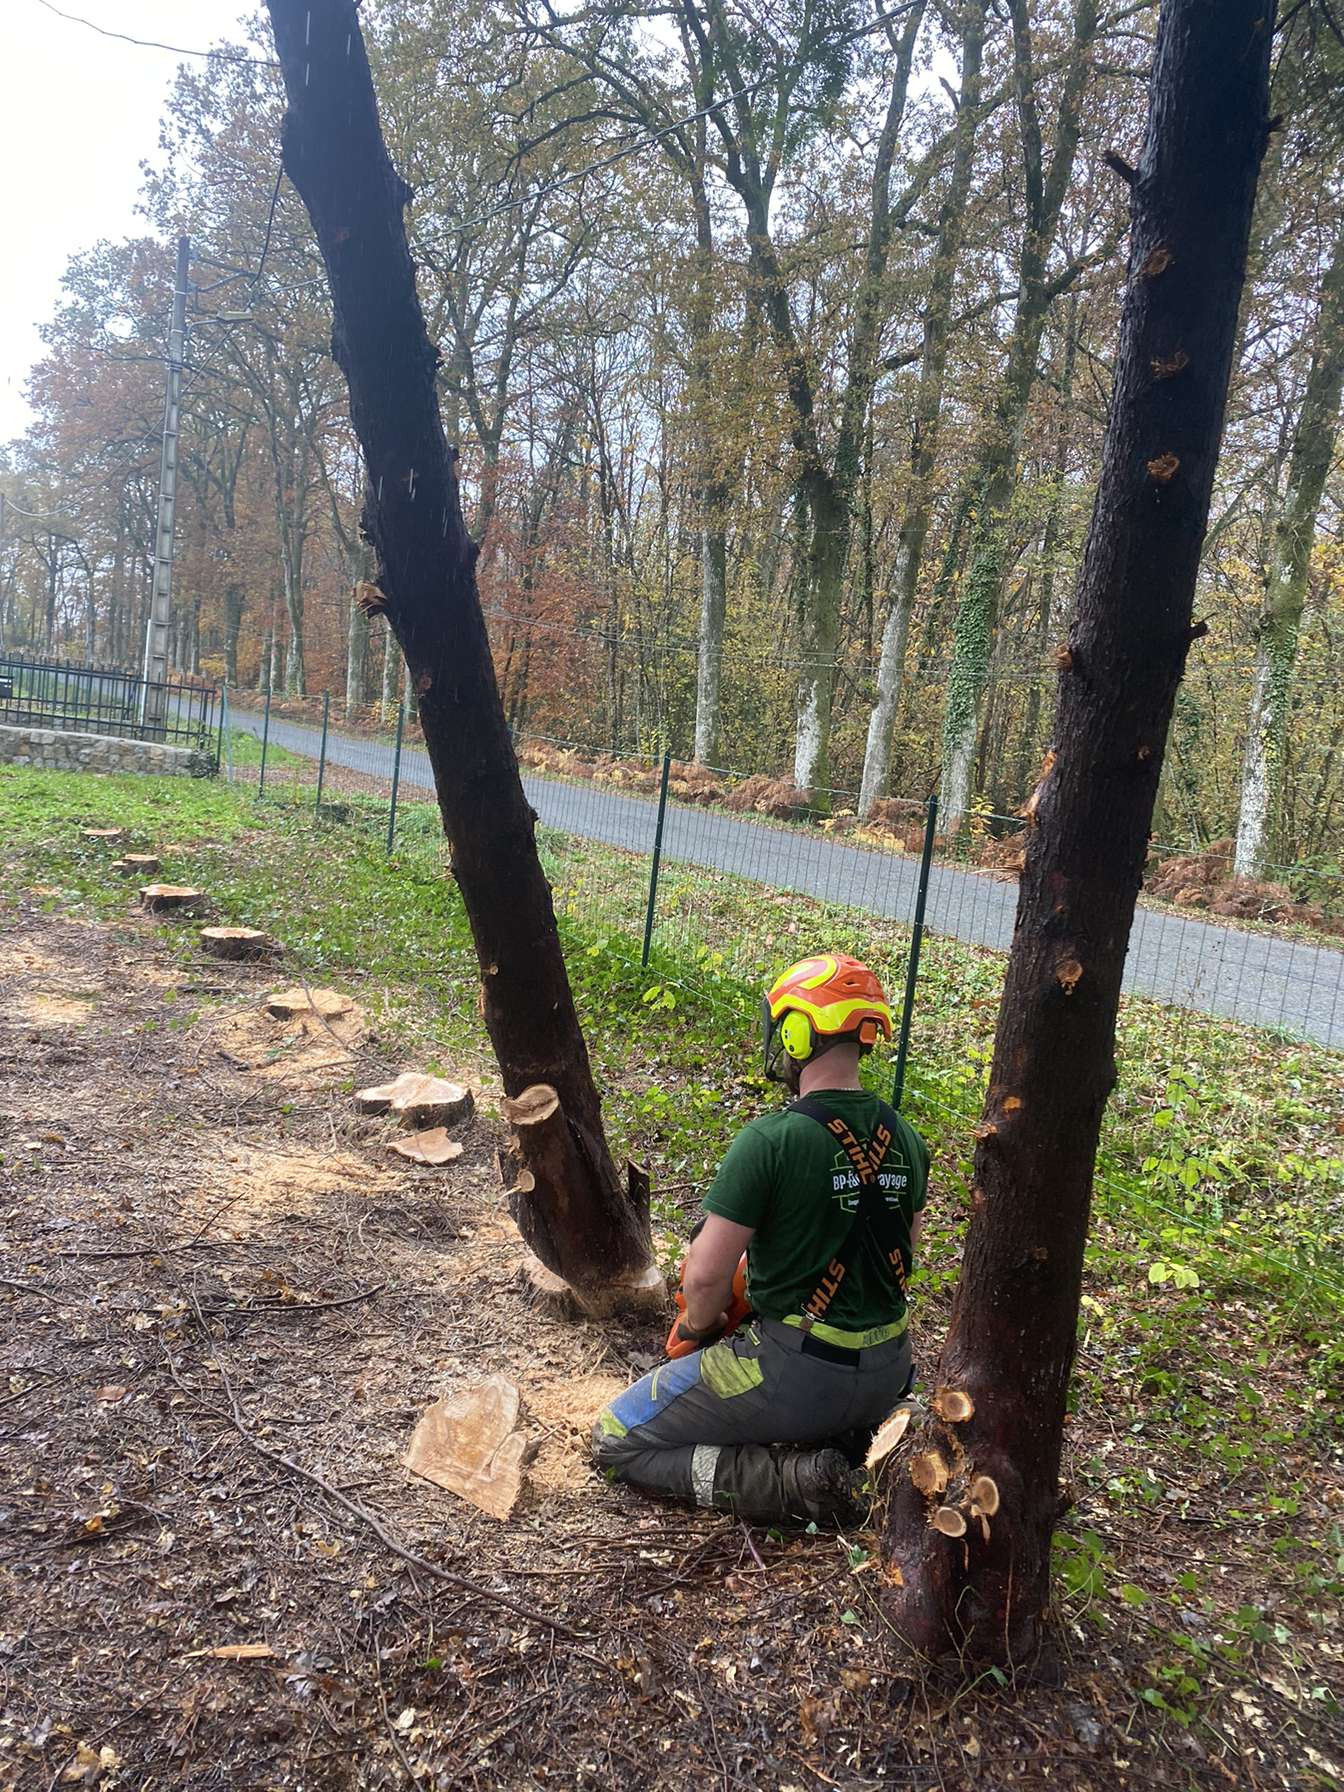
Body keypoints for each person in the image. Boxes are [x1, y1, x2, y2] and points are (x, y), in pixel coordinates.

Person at [593, 951, 930, 1525]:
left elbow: (704, 1279)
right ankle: (858, 1441)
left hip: (795, 1373)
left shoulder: (771, 1140)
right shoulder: (908, 1138)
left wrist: (701, 1329)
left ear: (798, 1034)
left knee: (615, 1437)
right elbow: (903, 1254)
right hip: (889, 1369)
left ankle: (793, 1484)